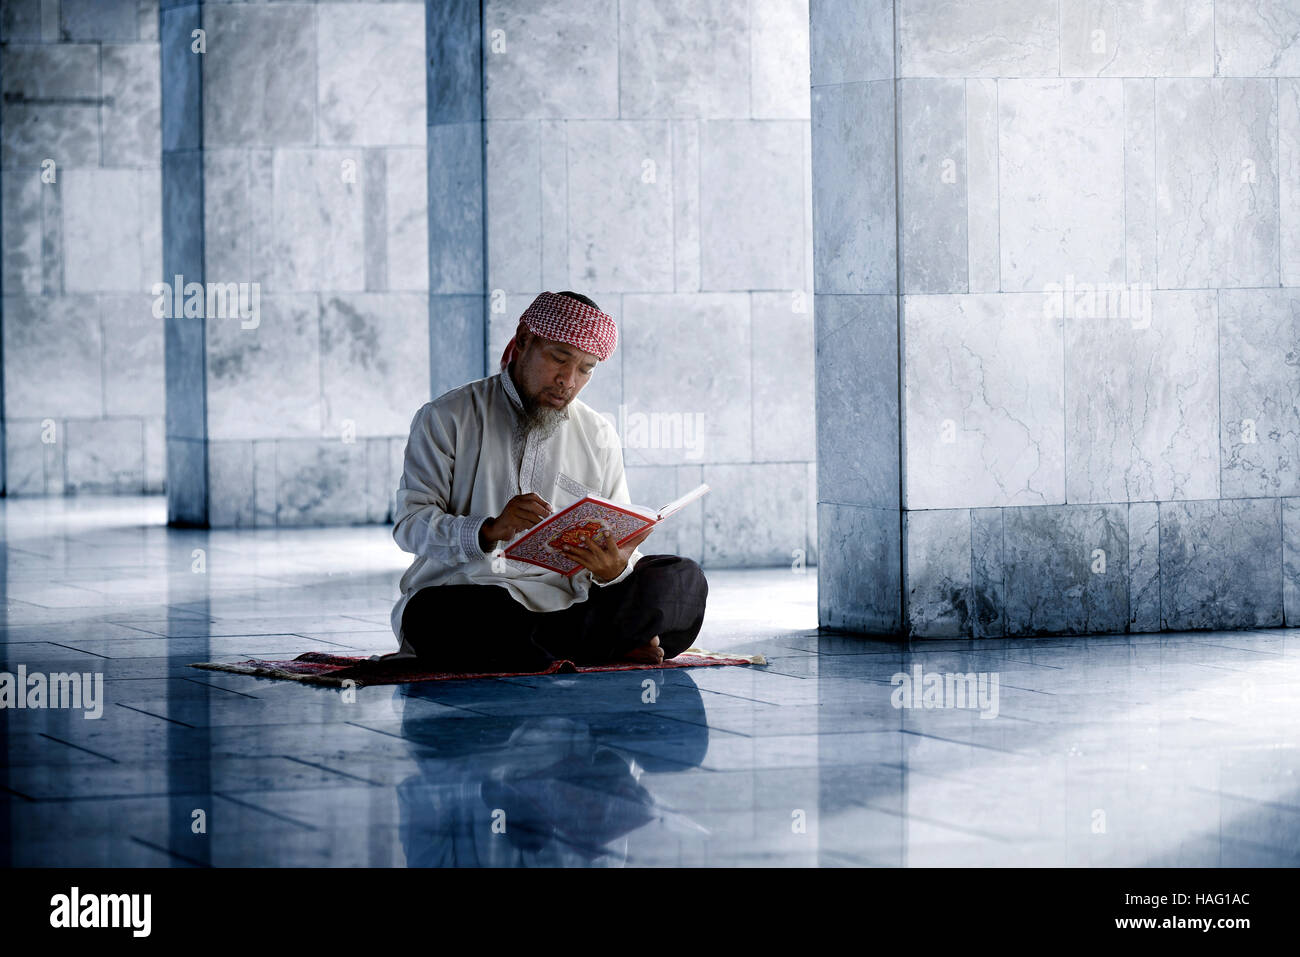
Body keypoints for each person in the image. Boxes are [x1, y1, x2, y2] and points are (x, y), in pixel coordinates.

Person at [388, 290, 708, 671]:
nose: (568, 381)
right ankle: (607, 643)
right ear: (524, 341)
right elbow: (410, 526)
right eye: (559, 358)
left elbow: (621, 540)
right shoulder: (446, 418)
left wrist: (613, 570)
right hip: (475, 596)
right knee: (435, 616)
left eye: (586, 369)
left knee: (681, 579)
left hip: (573, 602)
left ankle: (564, 647)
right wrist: (488, 530)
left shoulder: (598, 433)